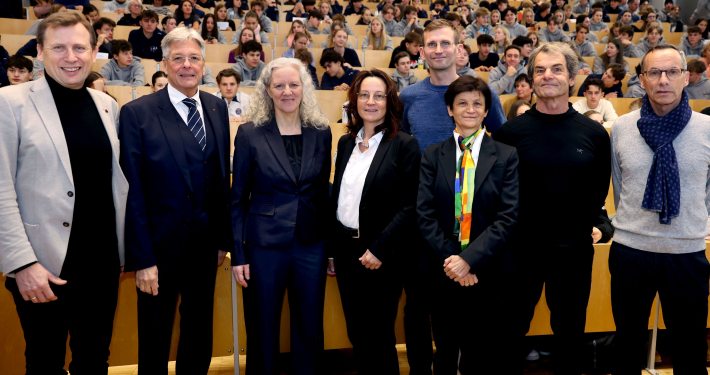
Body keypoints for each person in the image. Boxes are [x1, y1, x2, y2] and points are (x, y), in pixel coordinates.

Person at [0, 12, 127, 375]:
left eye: (78, 47)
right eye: (59, 47)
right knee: (44, 362)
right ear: (40, 52)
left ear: (93, 51)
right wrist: (22, 264)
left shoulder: (107, 106)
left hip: (101, 266)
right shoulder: (10, 102)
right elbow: (0, 189)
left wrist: (119, 253)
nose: (70, 57)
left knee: (94, 361)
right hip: (43, 267)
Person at [492, 42, 611, 374]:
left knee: (570, 337)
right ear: (530, 79)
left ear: (572, 78)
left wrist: (598, 224)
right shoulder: (509, 133)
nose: (548, 76)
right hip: (518, 253)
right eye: (540, 70)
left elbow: (598, 190)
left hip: (572, 252)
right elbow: (497, 194)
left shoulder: (594, 133)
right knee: (507, 335)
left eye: (557, 69)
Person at [119, 27, 232, 375]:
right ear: (164, 64)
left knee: (199, 337)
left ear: (203, 63)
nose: (187, 65)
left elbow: (219, 178)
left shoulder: (216, 107)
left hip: (204, 249)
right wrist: (142, 259)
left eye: (194, 58)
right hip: (157, 253)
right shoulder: (137, 112)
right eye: (178, 58)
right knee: (155, 339)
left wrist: (221, 241)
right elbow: (132, 190)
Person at [399, 19, 507, 375]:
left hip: (475, 227)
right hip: (424, 222)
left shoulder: (481, 94)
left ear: (459, 48)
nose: (438, 50)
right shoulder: (409, 97)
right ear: (421, 50)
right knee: (419, 310)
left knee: (471, 319)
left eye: (446, 43)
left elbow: (502, 149)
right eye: (431, 44)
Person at [610, 43, 710, 375]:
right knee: (626, 348)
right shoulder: (622, 128)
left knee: (690, 350)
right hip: (630, 253)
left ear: (686, 78)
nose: (663, 80)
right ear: (643, 80)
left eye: (672, 72)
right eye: (654, 72)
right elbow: (619, 184)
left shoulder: (707, 129)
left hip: (687, 252)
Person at [231, 56, 331, 375]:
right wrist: (239, 254)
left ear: (304, 88)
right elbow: (237, 199)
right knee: (263, 326)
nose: (287, 91)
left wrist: (329, 249)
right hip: (264, 246)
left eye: (293, 84)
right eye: (279, 85)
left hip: (310, 244)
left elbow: (320, 194)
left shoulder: (322, 132)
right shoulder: (249, 133)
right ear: (268, 90)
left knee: (309, 326)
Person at [416, 74, 519, 375]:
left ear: (487, 110)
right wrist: (454, 262)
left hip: (489, 270)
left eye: (478, 103)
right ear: (450, 109)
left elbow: (507, 216)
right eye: (462, 103)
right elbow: (425, 213)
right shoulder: (433, 155)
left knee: (481, 352)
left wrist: (469, 261)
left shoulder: (505, 155)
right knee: (445, 350)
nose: (470, 109)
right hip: (442, 268)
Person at [329, 68, 421, 375]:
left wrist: (380, 249)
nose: (371, 101)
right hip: (345, 252)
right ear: (354, 100)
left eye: (379, 96)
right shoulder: (345, 143)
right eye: (364, 95)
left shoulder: (404, 144)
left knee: (379, 336)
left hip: (382, 256)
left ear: (390, 101)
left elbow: (411, 205)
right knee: (357, 333)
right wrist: (332, 248)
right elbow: (339, 199)